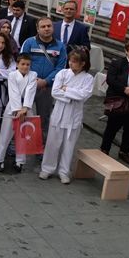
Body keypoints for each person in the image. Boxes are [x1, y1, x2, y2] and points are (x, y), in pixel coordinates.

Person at [40, 50, 94, 183]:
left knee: (69, 146)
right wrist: (70, 96)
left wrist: (67, 89)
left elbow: (83, 96)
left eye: (75, 61)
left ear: (83, 64)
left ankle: (64, 171)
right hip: (59, 113)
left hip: (74, 116)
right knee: (52, 143)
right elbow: (55, 92)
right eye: (70, 60)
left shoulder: (88, 78)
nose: (71, 63)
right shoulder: (62, 73)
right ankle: (47, 168)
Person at [21, 17, 67, 138]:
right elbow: (22, 63)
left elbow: (60, 68)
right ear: (37, 29)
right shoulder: (29, 43)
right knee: (22, 114)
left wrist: (46, 81)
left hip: (47, 88)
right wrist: (32, 79)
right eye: (43, 26)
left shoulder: (61, 47)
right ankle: (16, 144)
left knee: (43, 117)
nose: (46, 29)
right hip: (28, 85)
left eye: (49, 26)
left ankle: (40, 146)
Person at [0, 53, 37, 173]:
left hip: (26, 108)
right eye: (22, 64)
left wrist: (25, 108)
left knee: (23, 135)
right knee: (6, 134)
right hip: (13, 107)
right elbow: (14, 92)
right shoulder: (12, 75)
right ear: (17, 64)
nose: (25, 67)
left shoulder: (33, 75)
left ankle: (20, 161)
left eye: (28, 64)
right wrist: (18, 109)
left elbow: (30, 91)